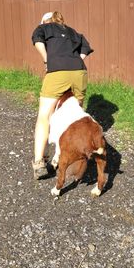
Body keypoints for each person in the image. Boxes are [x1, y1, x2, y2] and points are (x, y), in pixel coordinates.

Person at [31, 11, 94, 179]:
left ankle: (39, 163)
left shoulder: (44, 27)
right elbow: (86, 47)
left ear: (45, 21)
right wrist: (74, 60)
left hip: (57, 71)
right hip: (79, 72)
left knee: (44, 116)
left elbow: (36, 39)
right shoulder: (73, 32)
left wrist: (47, 59)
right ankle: (59, 157)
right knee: (71, 116)